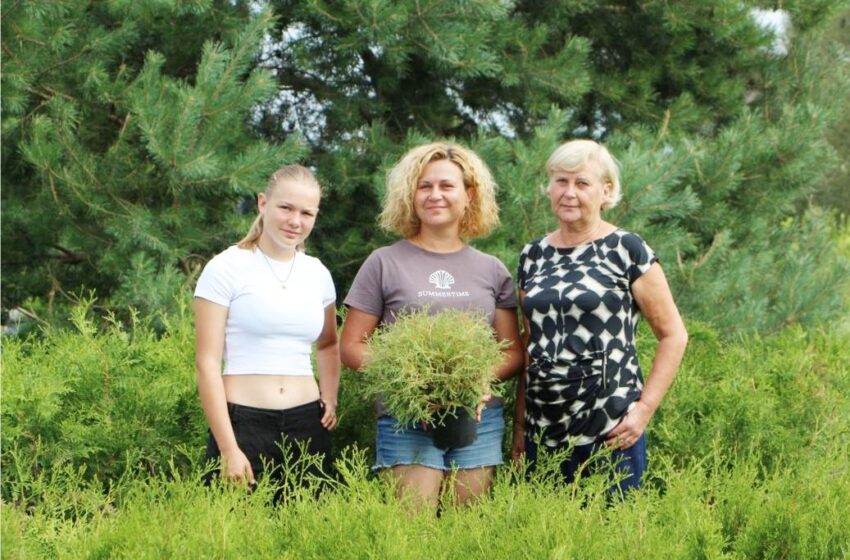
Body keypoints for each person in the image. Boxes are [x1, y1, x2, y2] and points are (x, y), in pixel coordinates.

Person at [340, 142, 523, 509]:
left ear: (469, 194)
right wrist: (414, 383)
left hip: (478, 417)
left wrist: (471, 383)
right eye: (424, 186)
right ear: (410, 194)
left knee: (465, 532)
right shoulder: (383, 263)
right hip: (406, 416)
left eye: (446, 186)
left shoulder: (491, 269)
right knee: (413, 534)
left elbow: (514, 351)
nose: (434, 195)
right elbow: (352, 346)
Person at [512, 139, 688, 493]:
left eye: (582, 183)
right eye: (561, 181)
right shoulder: (533, 255)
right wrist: (518, 429)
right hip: (542, 430)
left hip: (610, 429)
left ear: (606, 191)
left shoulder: (627, 250)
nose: (569, 193)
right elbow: (530, 344)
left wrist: (643, 411)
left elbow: (673, 335)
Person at [194, 164, 340, 492]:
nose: (295, 221)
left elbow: (329, 344)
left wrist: (329, 395)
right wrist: (229, 448)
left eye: (307, 213)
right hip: (244, 427)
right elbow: (206, 363)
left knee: (313, 535)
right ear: (263, 203)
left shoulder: (317, 273)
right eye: (285, 208)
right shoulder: (225, 268)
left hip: (307, 426)